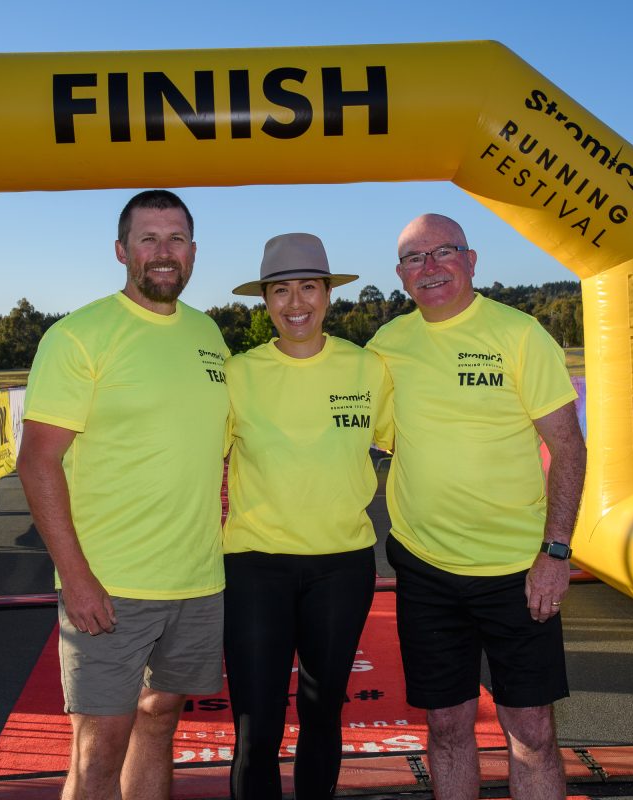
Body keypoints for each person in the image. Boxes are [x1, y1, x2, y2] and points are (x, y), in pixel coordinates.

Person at [17, 190, 230, 800]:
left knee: (160, 721)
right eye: (148, 239)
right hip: (110, 584)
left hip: (196, 580)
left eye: (176, 239)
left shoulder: (208, 333)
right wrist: (76, 577)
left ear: (193, 252)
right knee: (97, 749)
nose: (164, 253)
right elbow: (38, 462)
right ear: (122, 251)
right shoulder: (80, 336)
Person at [367, 214, 586, 800]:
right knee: (445, 728)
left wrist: (555, 552)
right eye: (416, 259)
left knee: (532, 733)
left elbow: (568, 445)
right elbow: (358, 431)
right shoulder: (387, 346)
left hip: (518, 571)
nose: (430, 267)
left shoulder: (518, 334)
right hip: (426, 570)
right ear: (401, 276)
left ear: (471, 259)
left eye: (444, 252)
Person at [223, 233, 393, 800]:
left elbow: (413, 449)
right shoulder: (238, 374)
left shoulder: (368, 369)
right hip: (254, 567)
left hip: (341, 567)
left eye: (308, 288)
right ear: (265, 301)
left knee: (323, 716)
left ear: (328, 294)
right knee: (257, 727)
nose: (296, 303)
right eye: (280, 291)